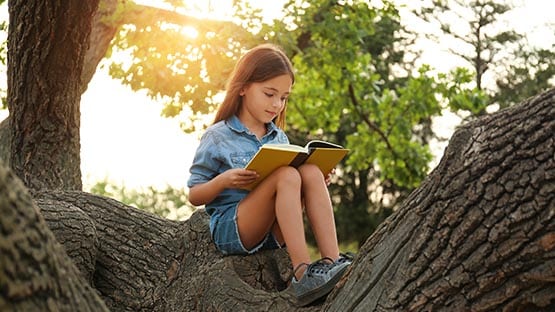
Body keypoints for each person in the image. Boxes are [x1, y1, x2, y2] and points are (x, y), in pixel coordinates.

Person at [187, 43, 352, 306]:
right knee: (286, 175)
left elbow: (294, 184)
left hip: (274, 231)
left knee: (309, 171)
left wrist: (316, 180)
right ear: (242, 88)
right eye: (269, 94)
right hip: (235, 228)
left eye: (284, 97)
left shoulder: (279, 137)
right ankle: (302, 273)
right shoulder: (218, 136)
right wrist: (224, 180)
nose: (277, 104)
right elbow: (194, 194)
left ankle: (333, 261)